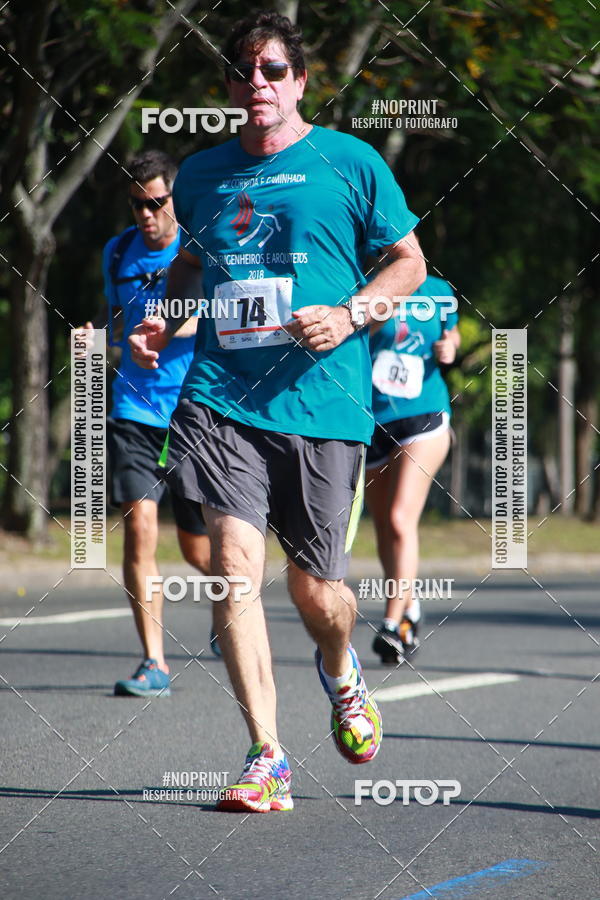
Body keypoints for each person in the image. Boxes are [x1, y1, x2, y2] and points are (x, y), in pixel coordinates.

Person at [129, 11, 426, 812]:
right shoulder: (199, 174)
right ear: (228, 85)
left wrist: (352, 314)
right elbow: (193, 262)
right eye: (241, 72)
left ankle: (340, 671)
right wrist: (167, 314)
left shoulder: (350, 163)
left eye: (270, 70)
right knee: (233, 574)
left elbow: (409, 262)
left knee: (318, 595)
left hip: (324, 405)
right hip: (223, 398)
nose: (255, 83)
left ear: (298, 81)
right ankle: (267, 755)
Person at [96, 150, 210, 696]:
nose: (145, 214)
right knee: (139, 528)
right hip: (134, 409)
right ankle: (154, 663)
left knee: (199, 550)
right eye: (137, 204)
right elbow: (116, 325)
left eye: (155, 202)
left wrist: (170, 334)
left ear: (175, 199)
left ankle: (230, 608)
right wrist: (107, 342)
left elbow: (222, 317)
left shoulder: (204, 247)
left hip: (194, 411)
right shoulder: (117, 252)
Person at [366, 275, 460, 665]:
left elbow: (451, 335)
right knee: (384, 525)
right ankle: (409, 608)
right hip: (371, 419)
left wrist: (449, 348)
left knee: (400, 518)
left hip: (425, 413)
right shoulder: (364, 285)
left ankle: (390, 624)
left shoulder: (439, 291)